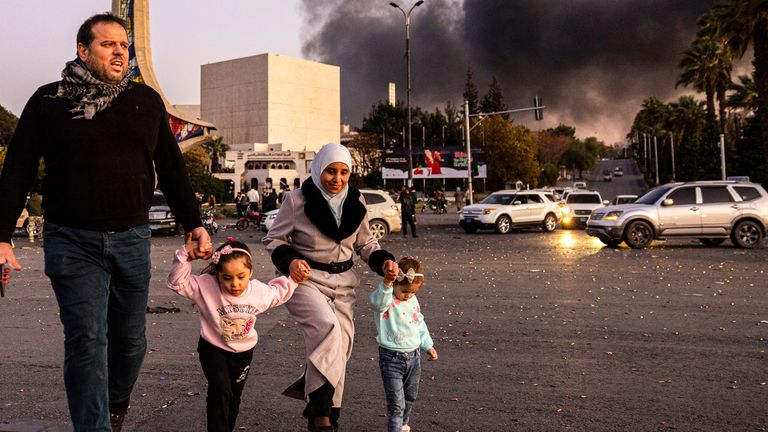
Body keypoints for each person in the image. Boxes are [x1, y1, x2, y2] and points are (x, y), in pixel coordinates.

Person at [0, 13, 212, 431]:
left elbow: (170, 167)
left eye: (123, 45)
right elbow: (18, 169)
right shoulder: (49, 101)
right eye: (107, 44)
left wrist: (194, 222)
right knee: (86, 341)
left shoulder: (145, 101)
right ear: (82, 49)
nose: (119, 52)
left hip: (132, 239)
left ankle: (114, 408)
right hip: (71, 241)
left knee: (131, 342)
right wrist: (2, 235)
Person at [263, 143, 398, 431]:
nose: (337, 178)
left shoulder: (357, 201)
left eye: (343, 172)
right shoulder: (296, 200)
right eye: (330, 171)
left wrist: (384, 261)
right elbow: (274, 239)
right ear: (318, 169)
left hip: (343, 284)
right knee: (328, 329)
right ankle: (319, 413)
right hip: (305, 280)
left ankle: (328, 419)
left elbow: (365, 244)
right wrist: (290, 262)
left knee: (340, 348)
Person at [167, 237, 298, 432]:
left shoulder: (258, 292)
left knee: (234, 396)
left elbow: (278, 292)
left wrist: (295, 278)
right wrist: (184, 254)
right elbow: (177, 283)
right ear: (217, 275)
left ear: (250, 273)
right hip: (213, 349)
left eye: (241, 276)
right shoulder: (206, 286)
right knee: (220, 390)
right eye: (227, 278)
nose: (235, 284)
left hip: (243, 353)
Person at [370, 256, 438, 432]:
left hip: (413, 357)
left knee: (410, 396)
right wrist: (386, 283)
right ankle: (396, 427)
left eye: (413, 292)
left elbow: (419, 323)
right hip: (391, 358)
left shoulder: (412, 300)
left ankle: (403, 425)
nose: (408, 296)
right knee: (396, 403)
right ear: (395, 284)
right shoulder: (386, 299)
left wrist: (427, 345)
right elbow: (378, 303)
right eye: (405, 291)